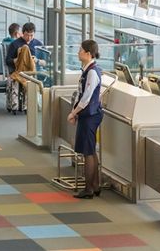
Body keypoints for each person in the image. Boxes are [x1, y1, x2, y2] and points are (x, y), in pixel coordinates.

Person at [67, 39, 104, 199]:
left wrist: (74, 112)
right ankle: (95, 185)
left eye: (80, 50)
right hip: (89, 114)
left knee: (88, 152)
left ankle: (89, 188)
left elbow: (86, 97)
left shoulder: (92, 72)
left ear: (88, 54)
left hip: (90, 115)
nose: (78, 52)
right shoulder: (88, 70)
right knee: (89, 151)